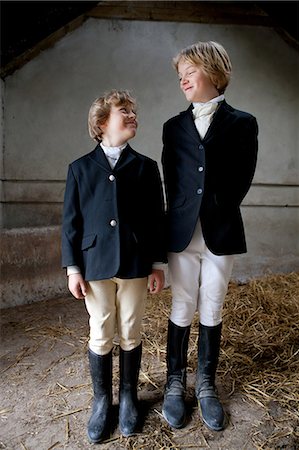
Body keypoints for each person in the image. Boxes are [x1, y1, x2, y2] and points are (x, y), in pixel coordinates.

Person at [161, 41, 258, 432]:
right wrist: (181, 216)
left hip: (220, 230)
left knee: (212, 305)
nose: (183, 78)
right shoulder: (174, 127)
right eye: (179, 73)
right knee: (182, 304)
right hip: (181, 233)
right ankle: (173, 383)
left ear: (215, 73)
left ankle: (205, 384)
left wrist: (213, 208)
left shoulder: (242, 122)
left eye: (190, 70)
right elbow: (173, 181)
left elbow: (242, 177)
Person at [61, 90, 166, 443]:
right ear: (103, 122)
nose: (133, 115)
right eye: (125, 111)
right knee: (101, 328)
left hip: (136, 261)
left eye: (135, 111)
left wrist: (156, 263)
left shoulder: (147, 167)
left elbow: (156, 220)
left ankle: (128, 397)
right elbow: (70, 224)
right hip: (94, 264)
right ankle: (102, 400)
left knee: (131, 328)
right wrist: (73, 268)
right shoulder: (79, 168)